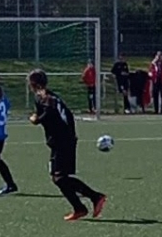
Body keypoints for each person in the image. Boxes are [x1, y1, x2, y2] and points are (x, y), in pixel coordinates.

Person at [28, 70, 106, 221]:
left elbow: (50, 113)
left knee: (59, 177)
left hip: (62, 141)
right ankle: (80, 207)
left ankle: (95, 197)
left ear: (33, 83)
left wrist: (36, 120)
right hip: (62, 140)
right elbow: (66, 115)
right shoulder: (48, 96)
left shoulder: (45, 97)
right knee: (58, 177)